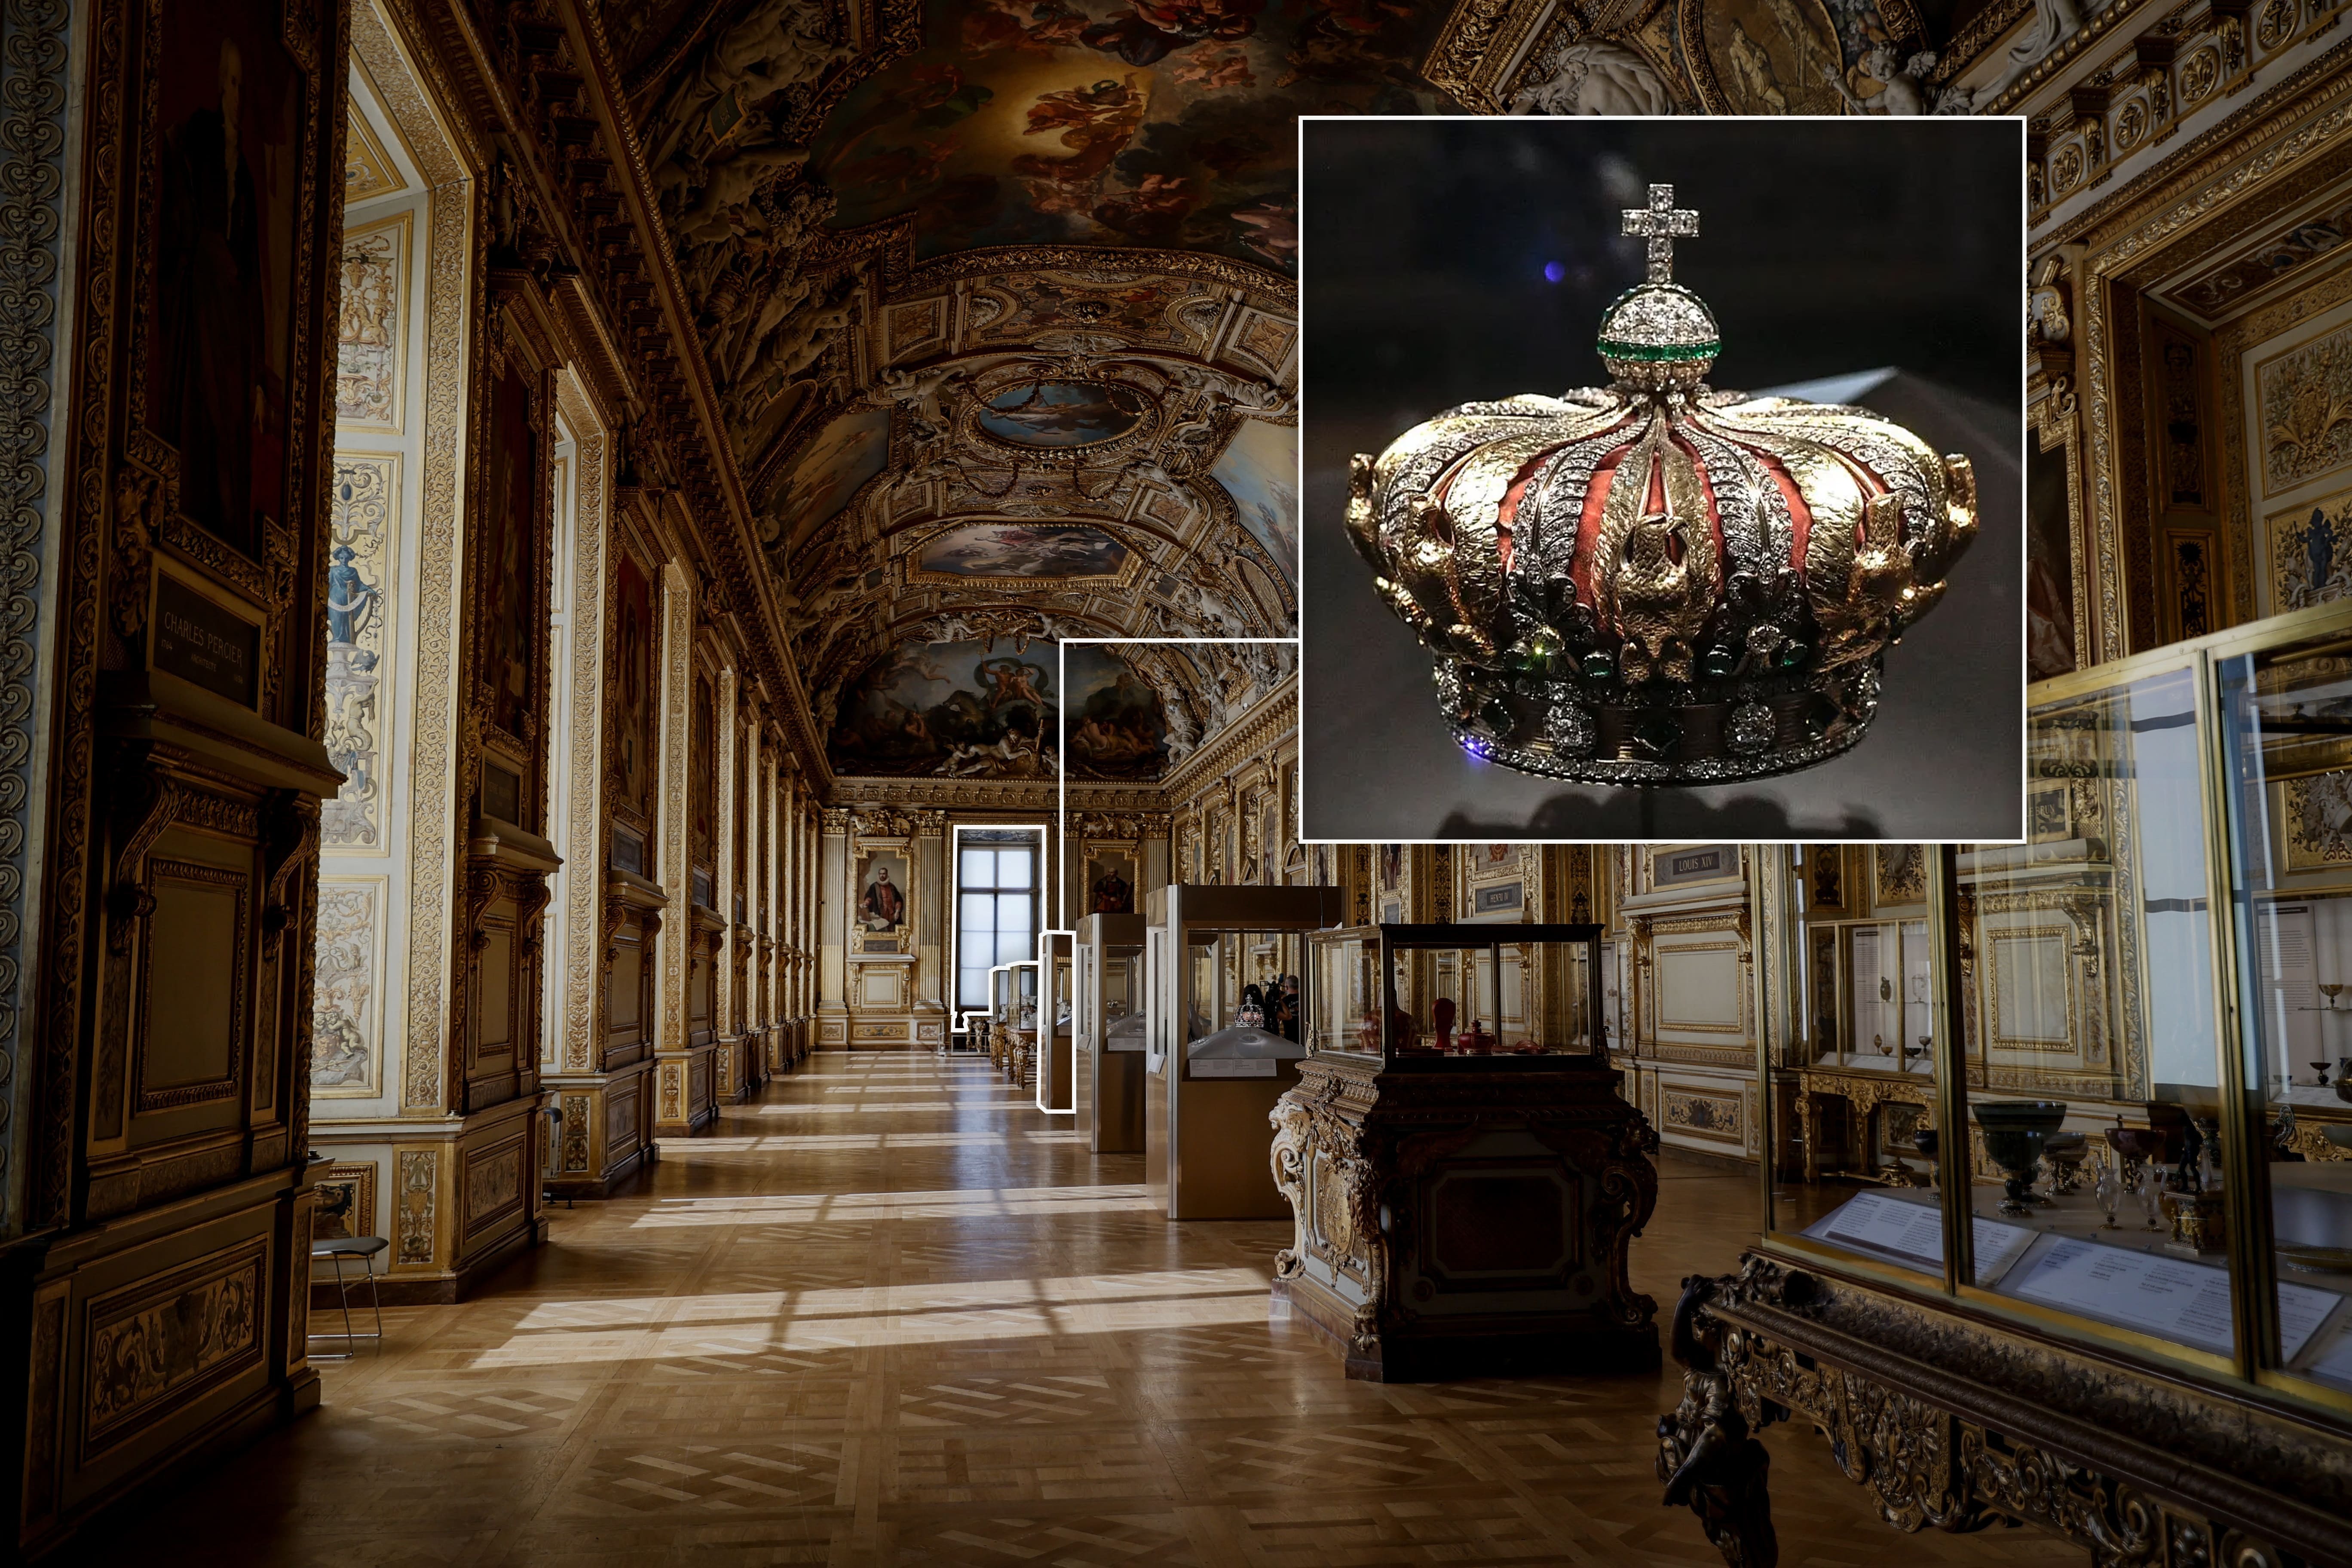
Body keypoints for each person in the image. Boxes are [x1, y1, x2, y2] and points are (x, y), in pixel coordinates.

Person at [859, 864, 903, 931]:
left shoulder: (892, 887)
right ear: (879, 875)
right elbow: (869, 898)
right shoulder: (874, 886)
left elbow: (898, 900)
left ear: (887, 874)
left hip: (892, 914)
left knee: (893, 930)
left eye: (884, 874)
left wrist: (897, 911)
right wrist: (866, 903)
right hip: (880, 914)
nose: (882, 876)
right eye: (881, 874)